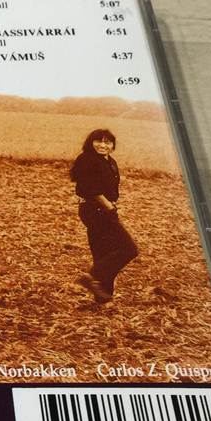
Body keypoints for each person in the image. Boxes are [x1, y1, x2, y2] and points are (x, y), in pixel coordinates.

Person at [70, 128, 138, 303]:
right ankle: (92, 276)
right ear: (90, 142)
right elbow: (91, 188)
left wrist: (112, 204)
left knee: (103, 252)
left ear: (113, 145)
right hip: (95, 209)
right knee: (128, 249)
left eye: (107, 142)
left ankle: (103, 298)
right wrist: (109, 207)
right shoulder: (86, 159)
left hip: (103, 209)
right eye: (98, 141)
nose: (102, 145)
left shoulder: (110, 161)